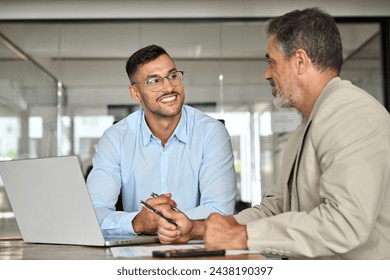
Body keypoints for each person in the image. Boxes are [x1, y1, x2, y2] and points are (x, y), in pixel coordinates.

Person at [157, 8, 390, 259]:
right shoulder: (310, 125)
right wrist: (198, 229)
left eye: (271, 61)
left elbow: (346, 222)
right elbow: (278, 207)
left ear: (300, 61)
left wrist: (244, 237)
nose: (266, 74)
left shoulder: (351, 114)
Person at [87, 44, 237, 235]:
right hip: (134, 255)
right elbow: (94, 212)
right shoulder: (116, 138)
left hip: (197, 251)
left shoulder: (211, 132)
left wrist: (163, 221)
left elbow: (221, 211)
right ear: (135, 93)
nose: (168, 87)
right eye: (154, 81)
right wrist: (136, 222)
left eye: (173, 76)